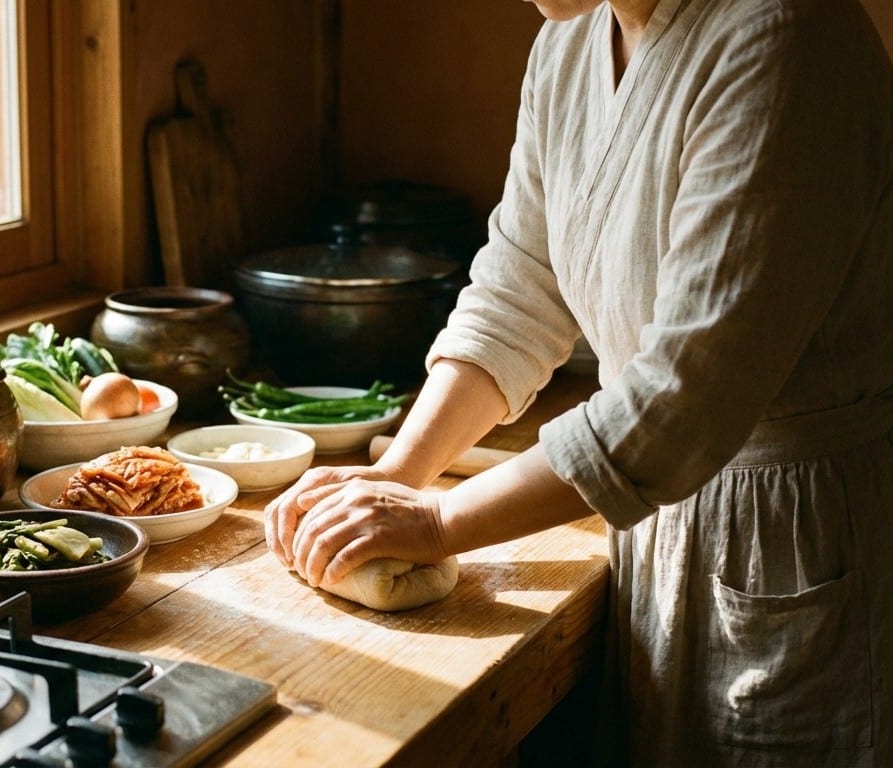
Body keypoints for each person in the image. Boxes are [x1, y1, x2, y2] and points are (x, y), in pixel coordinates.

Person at [264, 0, 893, 764]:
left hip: (791, 535)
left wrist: (437, 525)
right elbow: (521, 288)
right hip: (655, 515)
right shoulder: (568, 43)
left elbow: (685, 397)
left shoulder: (789, 36)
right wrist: (399, 474)